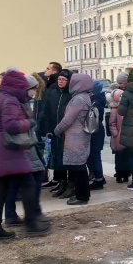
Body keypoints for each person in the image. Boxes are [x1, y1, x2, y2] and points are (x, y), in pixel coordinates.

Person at [0, 69, 51, 241]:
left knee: (1, 189)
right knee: (29, 182)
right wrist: (30, 122)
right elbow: (11, 125)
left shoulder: (0, 98)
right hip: (10, 149)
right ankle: (31, 224)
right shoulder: (10, 101)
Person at [4, 73, 50, 226]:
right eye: (33, 89)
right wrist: (30, 123)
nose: (35, 92)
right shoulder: (15, 102)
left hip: (25, 144)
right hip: (23, 145)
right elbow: (13, 125)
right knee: (32, 178)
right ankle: (32, 216)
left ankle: (17, 215)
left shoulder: (18, 100)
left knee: (17, 182)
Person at [54, 73, 93, 205]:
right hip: (82, 135)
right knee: (79, 166)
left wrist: (57, 130)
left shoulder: (78, 99)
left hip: (75, 137)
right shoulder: (86, 96)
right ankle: (81, 194)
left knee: (78, 168)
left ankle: (82, 196)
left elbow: (67, 120)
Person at [41, 69, 73, 198]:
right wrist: (48, 129)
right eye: (59, 79)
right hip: (54, 131)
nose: (60, 82)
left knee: (66, 159)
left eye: (64, 80)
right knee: (57, 157)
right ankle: (61, 181)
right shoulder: (52, 93)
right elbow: (47, 111)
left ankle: (68, 184)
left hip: (66, 132)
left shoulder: (70, 94)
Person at [88, 80, 107, 190]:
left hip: (95, 131)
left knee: (95, 156)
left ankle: (99, 179)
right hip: (98, 130)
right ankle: (98, 177)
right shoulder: (98, 99)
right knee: (95, 156)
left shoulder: (96, 102)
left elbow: (93, 119)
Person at [108, 89, 128, 183]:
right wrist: (116, 134)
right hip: (118, 137)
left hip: (127, 135)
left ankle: (126, 175)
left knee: (126, 156)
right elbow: (112, 123)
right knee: (119, 157)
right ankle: (119, 175)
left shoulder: (126, 107)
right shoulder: (114, 109)